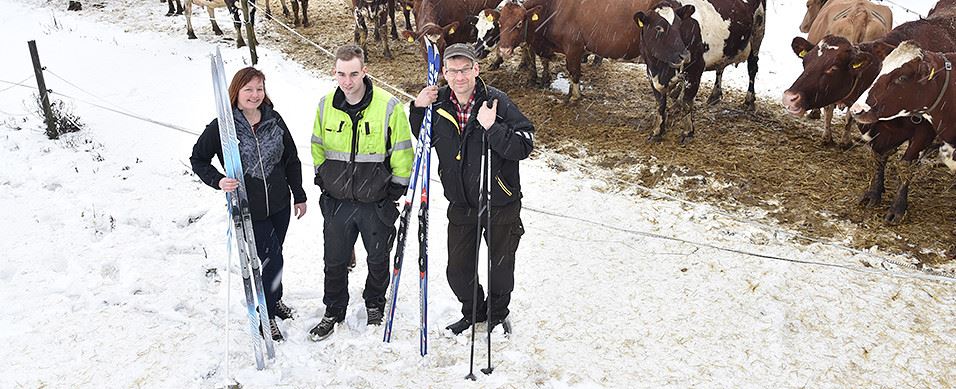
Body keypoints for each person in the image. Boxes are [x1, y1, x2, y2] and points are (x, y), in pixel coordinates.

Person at [410, 43, 534, 335]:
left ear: (476, 70)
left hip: (500, 201)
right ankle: (475, 312)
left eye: (465, 69)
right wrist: (417, 109)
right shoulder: (437, 102)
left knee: (500, 269)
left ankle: (497, 314)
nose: (459, 76)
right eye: (452, 71)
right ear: (444, 73)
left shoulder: (497, 102)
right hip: (461, 202)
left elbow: (525, 144)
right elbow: (424, 139)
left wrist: (494, 128)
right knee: (458, 271)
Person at [190, 67, 307, 342]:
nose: (255, 95)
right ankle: (263, 313)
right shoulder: (224, 126)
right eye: (249, 90)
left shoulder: (274, 120)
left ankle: (274, 299)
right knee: (272, 257)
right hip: (248, 208)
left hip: (279, 204)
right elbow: (198, 159)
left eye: (259, 89)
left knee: (274, 258)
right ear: (237, 92)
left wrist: (299, 194)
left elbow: (291, 159)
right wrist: (218, 180)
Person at [309, 44, 414, 341]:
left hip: (375, 202)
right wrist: (323, 178)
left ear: (364, 71)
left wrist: (395, 188)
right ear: (335, 73)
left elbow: (403, 151)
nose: (347, 81)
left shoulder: (388, 106)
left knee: (378, 258)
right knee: (335, 260)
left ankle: (374, 303)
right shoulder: (325, 104)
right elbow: (317, 145)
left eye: (354, 74)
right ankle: (333, 309)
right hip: (338, 200)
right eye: (341, 74)